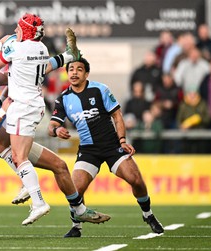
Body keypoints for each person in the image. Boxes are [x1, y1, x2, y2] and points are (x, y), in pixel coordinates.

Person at [0, 52, 110, 226]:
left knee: (60, 166)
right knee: (10, 148)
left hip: (13, 131)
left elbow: (14, 78)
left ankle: (79, 211)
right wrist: (3, 108)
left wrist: (16, 72)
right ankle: (35, 197)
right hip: (2, 140)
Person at [0, 13, 97, 225]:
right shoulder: (41, 48)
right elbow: (46, 66)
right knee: (6, 146)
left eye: (19, 28)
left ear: (26, 31)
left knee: (19, 157)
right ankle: (26, 184)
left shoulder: (15, 47)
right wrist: (67, 57)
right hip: (32, 104)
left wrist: (1, 42)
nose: (15, 31)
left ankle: (38, 202)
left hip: (22, 106)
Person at [49, 57, 164, 237]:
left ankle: (148, 215)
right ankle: (76, 227)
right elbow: (52, 126)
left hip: (111, 146)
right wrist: (57, 131)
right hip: (88, 150)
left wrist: (123, 140)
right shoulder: (63, 99)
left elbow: (117, 117)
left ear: (86, 74)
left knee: (136, 180)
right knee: (75, 190)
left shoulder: (100, 89)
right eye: (71, 69)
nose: (74, 72)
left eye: (79, 69)